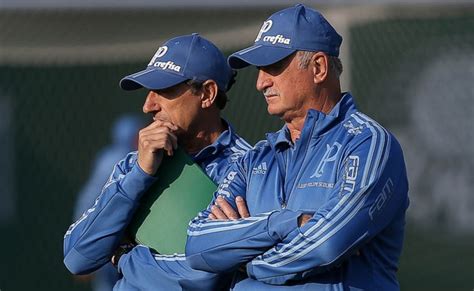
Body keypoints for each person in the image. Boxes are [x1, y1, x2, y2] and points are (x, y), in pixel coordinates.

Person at [186, 4, 409, 290]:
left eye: (274, 66)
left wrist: (244, 259)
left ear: (318, 68)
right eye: (259, 70)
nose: (260, 82)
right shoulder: (254, 159)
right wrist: (285, 223)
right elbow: (198, 243)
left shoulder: (367, 143)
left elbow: (326, 244)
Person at [63, 33, 252, 290]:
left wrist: (124, 257)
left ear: (207, 94)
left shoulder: (250, 167)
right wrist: (140, 174)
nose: (148, 105)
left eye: (164, 89)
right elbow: (77, 257)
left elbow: (205, 278)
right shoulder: (136, 163)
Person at [72, 114, 144, 291]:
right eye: (137, 134)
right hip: (110, 235)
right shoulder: (119, 161)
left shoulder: (110, 156)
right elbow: (89, 201)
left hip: (114, 235)